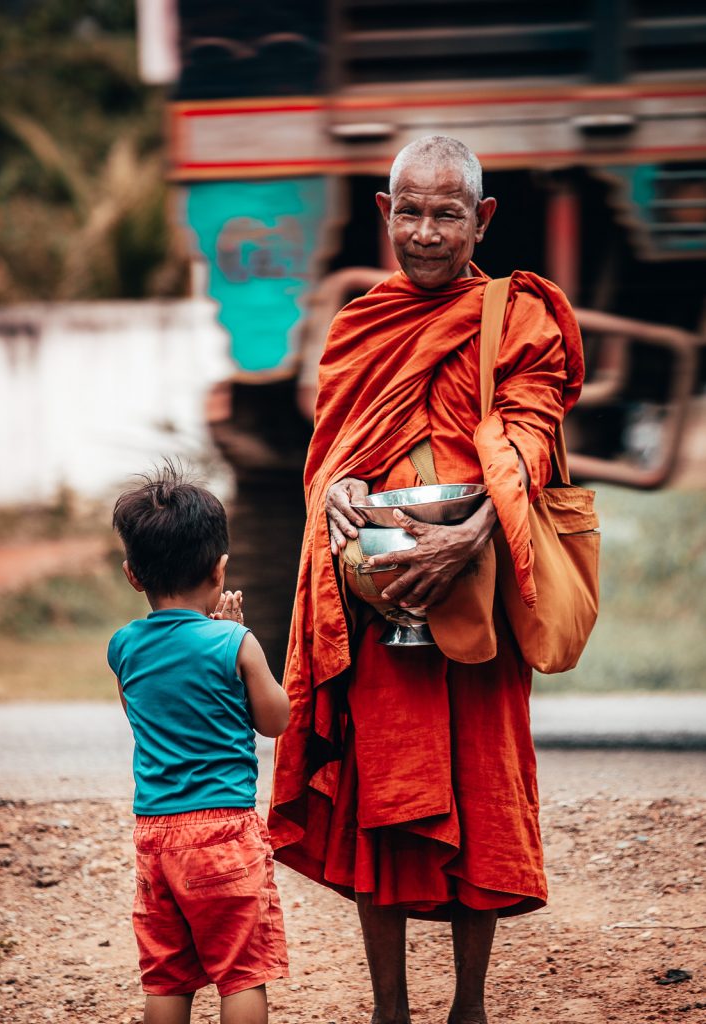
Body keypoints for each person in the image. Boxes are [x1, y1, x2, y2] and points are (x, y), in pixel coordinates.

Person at [268, 136, 585, 1024]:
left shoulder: (516, 317)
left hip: (481, 592)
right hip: (378, 597)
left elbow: (530, 441)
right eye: (409, 211)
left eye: (448, 214)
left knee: (480, 789)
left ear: (481, 218)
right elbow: (329, 453)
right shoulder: (359, 323)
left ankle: (470, 1006)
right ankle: (389, 1007)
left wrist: (472, 534)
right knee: (379, 792)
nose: (427, 232)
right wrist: (336, 493)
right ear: (383, 212)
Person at [108, 466, 291, 1024]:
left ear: (133, 575)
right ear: (220, 568)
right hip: (223, 832)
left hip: (155, 835)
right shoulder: (235, 641)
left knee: (167, 977)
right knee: (240, 972)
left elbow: (144, 712)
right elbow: (275, 720)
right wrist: (239, 644)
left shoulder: (124, 647)